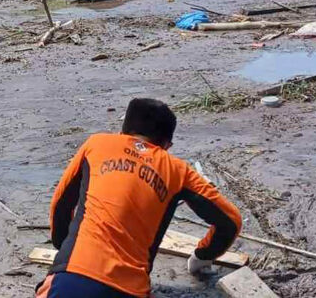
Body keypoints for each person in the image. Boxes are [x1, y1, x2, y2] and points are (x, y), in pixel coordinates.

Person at [36, 98, 242, 298]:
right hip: (129, 290)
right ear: (167, 145)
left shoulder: (96, 145)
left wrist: (64, 252)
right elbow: (230, 221)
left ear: (121, 132)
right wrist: (201, 257)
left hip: (71, 279)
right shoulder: (178, 171)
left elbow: (60, 205)